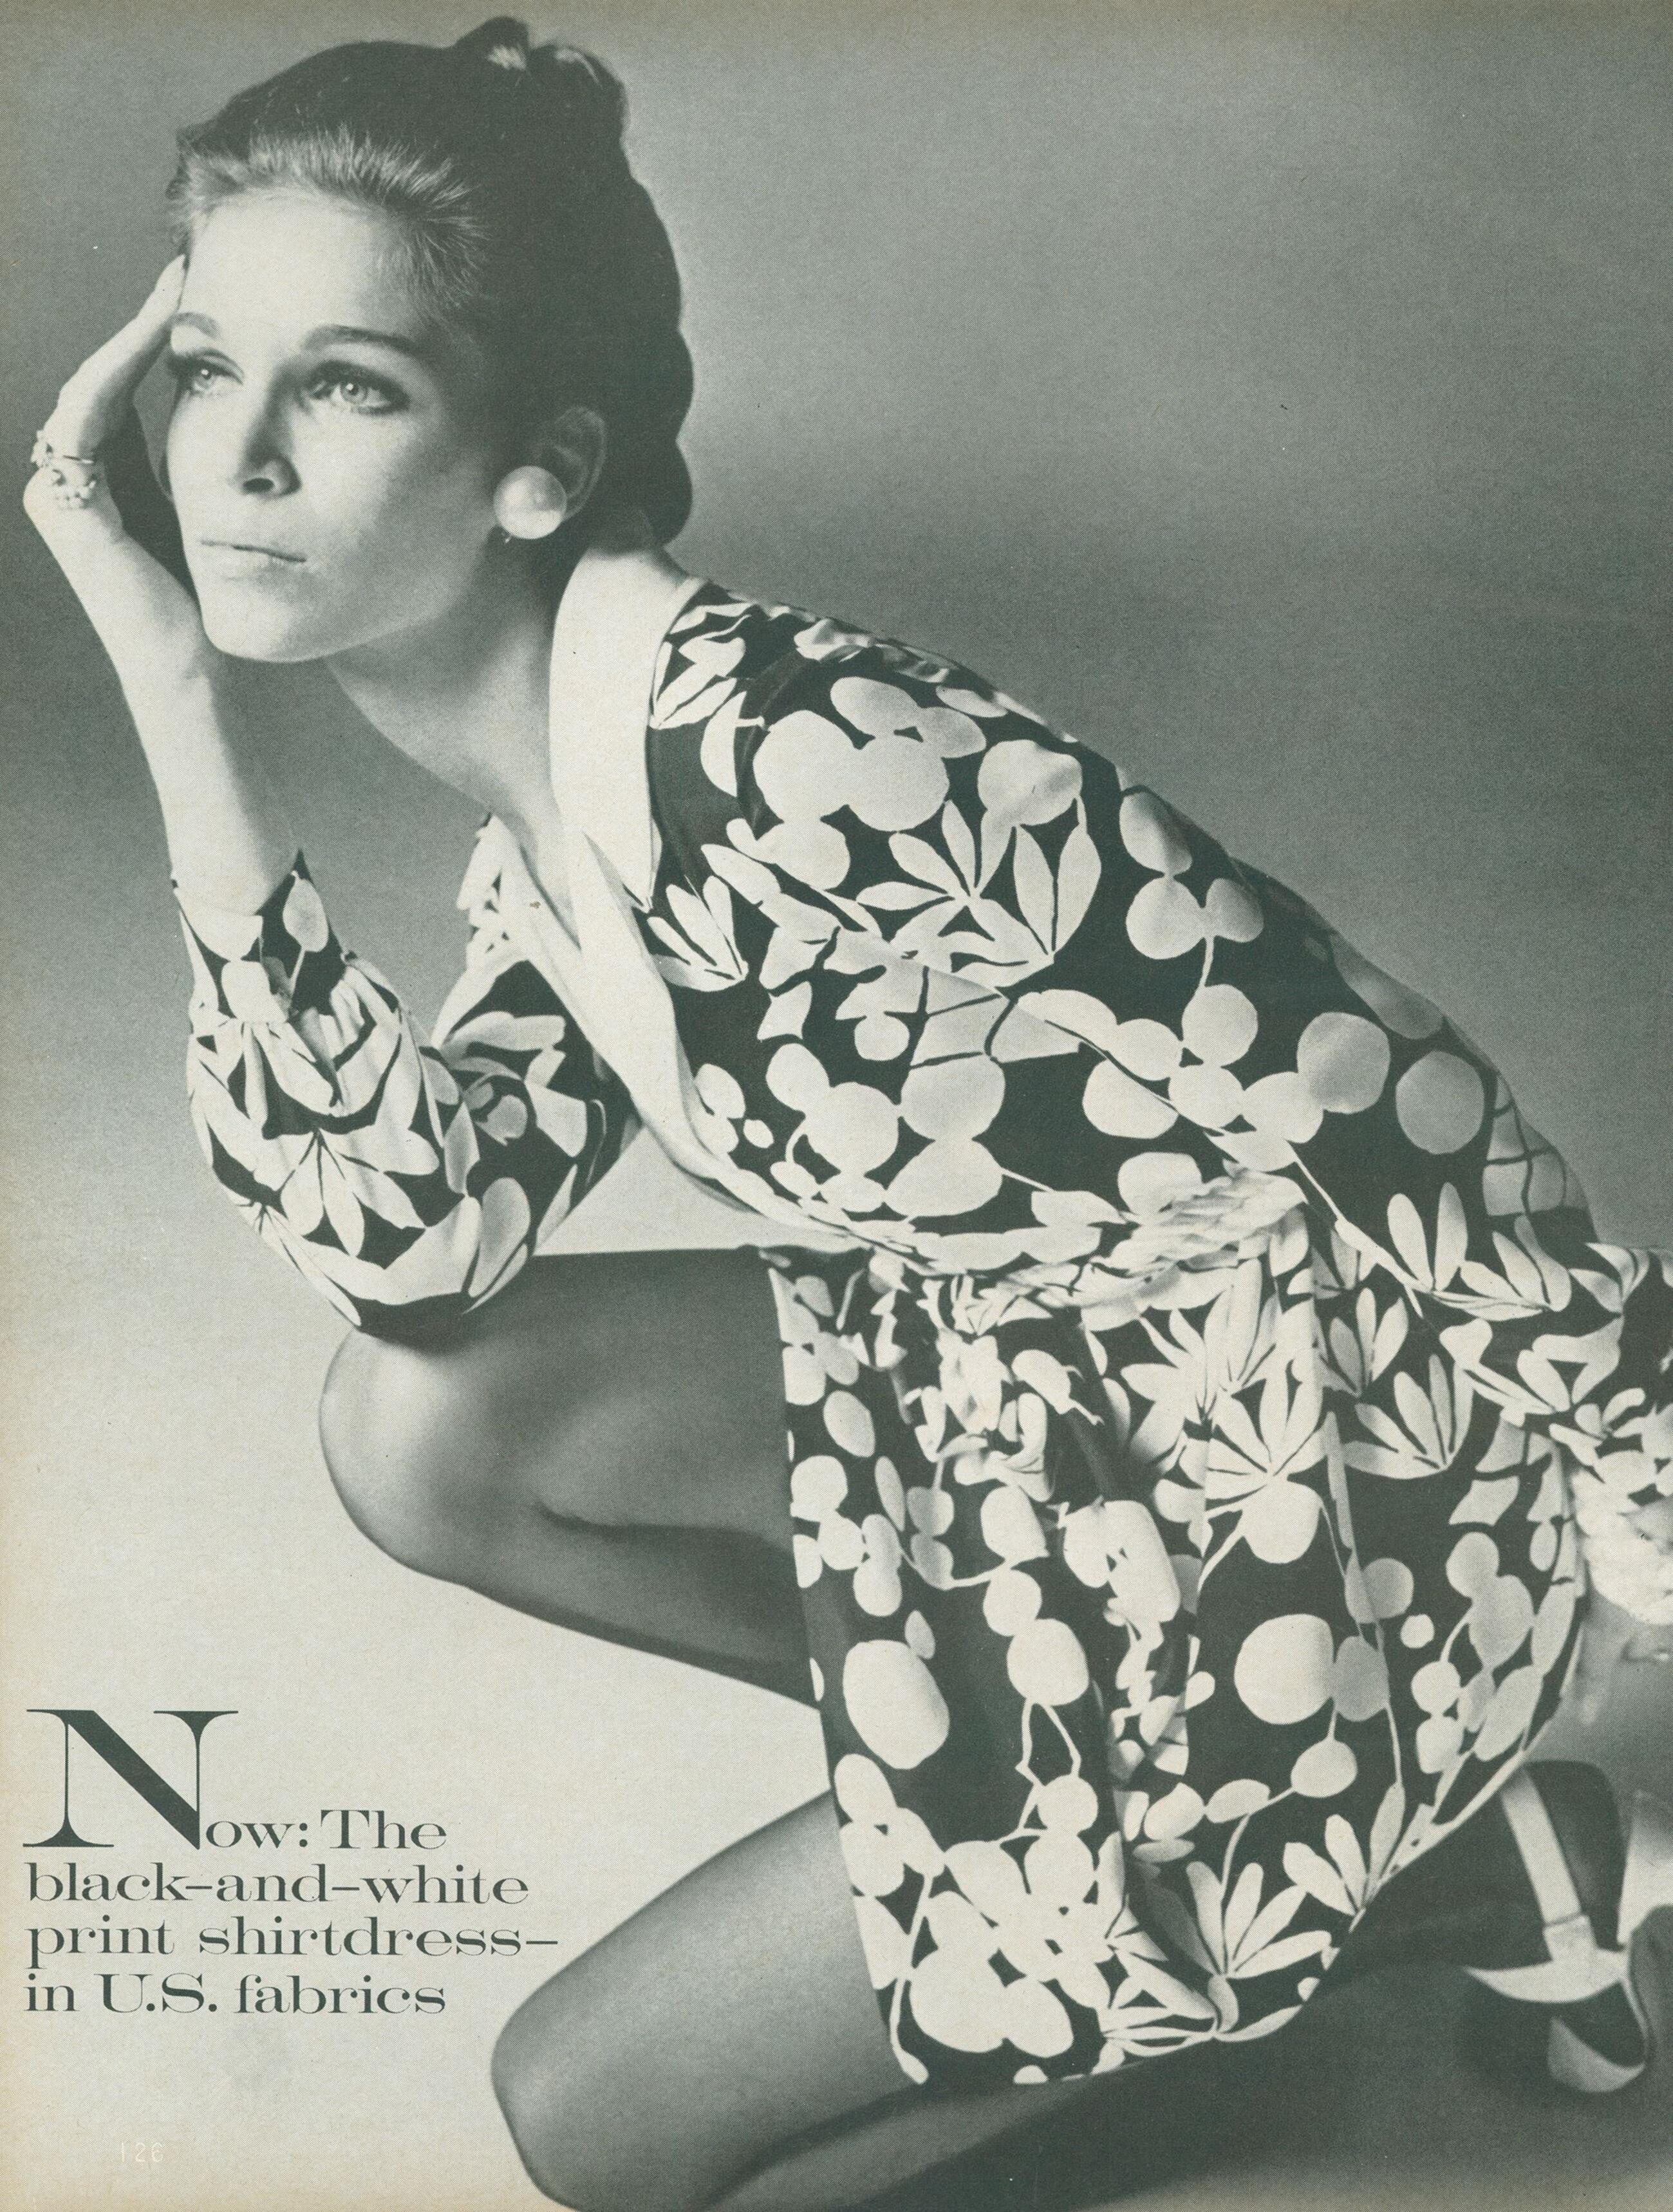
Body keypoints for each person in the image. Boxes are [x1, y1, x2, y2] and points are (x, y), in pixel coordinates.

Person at [24, 17, 1673, 2210]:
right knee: (413, 1427)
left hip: (1299, 1491)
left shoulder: (795, 748)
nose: (230, 462)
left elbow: (1381, 1078)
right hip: (1001, 1419)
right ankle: (1172, 1861)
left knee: (597, 2132)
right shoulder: (570, 790)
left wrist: (1642, 1504)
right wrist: (171, 699)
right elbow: (407, 1244)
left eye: (346, 387)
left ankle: (1396, 1859)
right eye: (201, 367)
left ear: (539, 467)